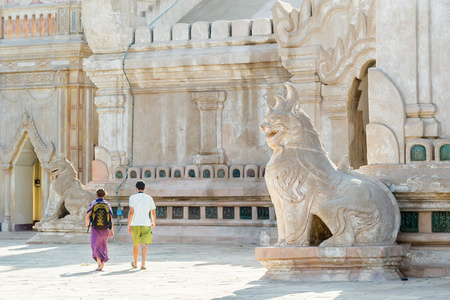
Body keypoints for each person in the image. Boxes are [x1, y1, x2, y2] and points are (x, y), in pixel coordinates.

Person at [127, 180, 156, 270]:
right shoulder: (149, 198)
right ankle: (143, 264)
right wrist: (153, 221)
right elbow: (153, 212)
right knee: (144, 244)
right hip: (146, 224)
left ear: (136, 188)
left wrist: (129, 224)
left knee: (136, 244)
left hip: (135, 224)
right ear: (144, 188)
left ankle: (135, 263)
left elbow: (131, 212)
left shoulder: (132, 198)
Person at [85, 188, 114, 271]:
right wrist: (112, 231)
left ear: (96, 195)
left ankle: (99, 264)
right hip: (105, 228)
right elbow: (111, 218)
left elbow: (87, 216)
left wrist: (87, 224)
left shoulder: (94, 203)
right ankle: (102, 263)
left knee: (95, 246)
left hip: (95, 228)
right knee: (103, 246)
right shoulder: (107, 204)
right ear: (104, 195)